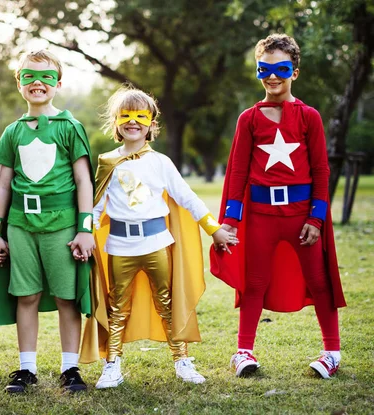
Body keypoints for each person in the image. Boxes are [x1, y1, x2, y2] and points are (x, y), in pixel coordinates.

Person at [79, 86, 238, 388]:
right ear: (116, 122)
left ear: (151, 123)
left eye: (141, 115)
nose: (133, 121)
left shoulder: (161, 162)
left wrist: (213, 229)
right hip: (120, 246)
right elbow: (96, 206)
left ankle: (182, 360)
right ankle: (112, 364)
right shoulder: (108, 162)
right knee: (117, 307)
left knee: (167, 302)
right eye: (125, 115)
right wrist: (85, 233)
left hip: (156, 244)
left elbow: (187, 197)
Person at [210, 34, 346, 379]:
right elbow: (238, 171)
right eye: (264, 69)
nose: (273, 76)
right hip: (261, 217)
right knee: (254, 283)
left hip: (301, 217)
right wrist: (229, 222)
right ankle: (243, 352)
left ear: (294, 73)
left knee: (319, 282)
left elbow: (321, 170)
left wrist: (316, 218)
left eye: (281, 69)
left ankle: (332, 352)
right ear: (257, 71)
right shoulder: (249, 119)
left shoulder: (309, 116)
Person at [0, 50, 94, 393]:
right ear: (18, 82)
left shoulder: (70, 127)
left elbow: (83, 181)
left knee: (66, 298)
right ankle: (26, 368)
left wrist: (84, 229)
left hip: (62, 224)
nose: (37, 83)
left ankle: (70, 368)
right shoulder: (13, 131)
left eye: (46, 77)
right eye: (29, 76)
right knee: (26, 295)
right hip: (21, 224)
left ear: (58, 84)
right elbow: (3, 184)